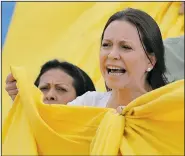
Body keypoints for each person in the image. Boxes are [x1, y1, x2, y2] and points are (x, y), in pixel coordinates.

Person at [5, 8, 182, 110]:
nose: (112, 54)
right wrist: (23, 101)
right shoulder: (87, 105)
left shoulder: (171, 109)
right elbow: (48, 129)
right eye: (106, 45)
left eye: (125, 47)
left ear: (151, 61)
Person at [5, 59, 96, 104]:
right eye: (44, 88)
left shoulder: (100, 137)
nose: (50, 95)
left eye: (61, 89)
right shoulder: (18, 134)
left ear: (82, 98)